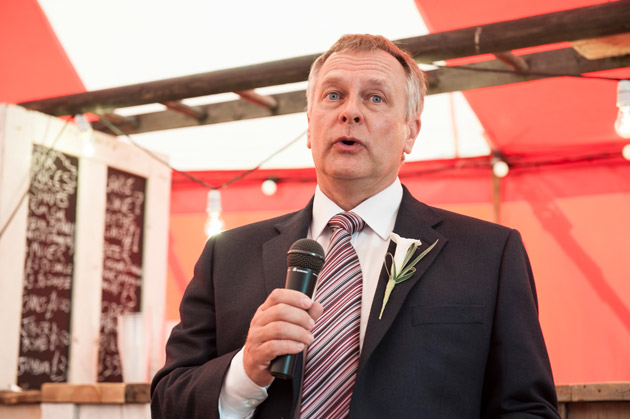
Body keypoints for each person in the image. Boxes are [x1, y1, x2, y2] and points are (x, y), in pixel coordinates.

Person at [151, 34, 560, 418]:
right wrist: (245, 370)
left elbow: (527, 408)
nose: (350, 111)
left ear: (410, 132)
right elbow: (169, 402)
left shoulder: (489, 254)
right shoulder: (227, 255)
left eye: (375, 98)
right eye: (334, 95)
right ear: (310, 125)